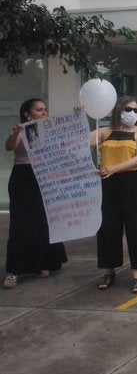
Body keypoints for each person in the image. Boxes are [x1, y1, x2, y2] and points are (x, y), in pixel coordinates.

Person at [4, 99, 67, 288]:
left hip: (44, 176)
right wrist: (16, 133)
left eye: (45, 110)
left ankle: (42, 263)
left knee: (43, 221)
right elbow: (9, 147)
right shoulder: (22, 129)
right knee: (21, 223)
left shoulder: (48, 129)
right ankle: (14, 270)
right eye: (39, 110)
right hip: (23, 177)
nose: (43, 113)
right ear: (27, 114)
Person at [92, 97, 137, 294]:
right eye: (129, 109)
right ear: (118, 109)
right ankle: (109, 269)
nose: (133, 113)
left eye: (136, 110)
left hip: (133, 181)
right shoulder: (105, 132)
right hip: (108, 184)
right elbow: (76, 143)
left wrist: (114, 168)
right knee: (108, 226)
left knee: (136, 226)